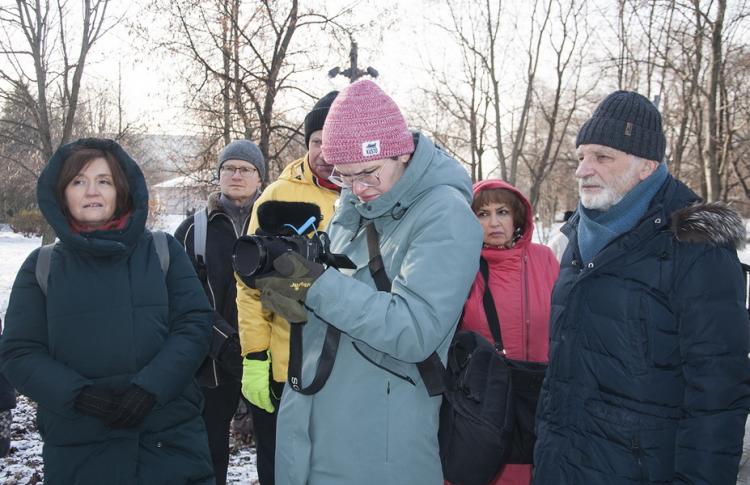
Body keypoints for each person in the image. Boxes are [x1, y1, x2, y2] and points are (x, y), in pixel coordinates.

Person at [254, 79, 483, 485]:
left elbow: (413, 329)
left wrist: (314, 283)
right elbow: (319, 321)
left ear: (403, 152)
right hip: (315, 425)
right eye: (344, 176)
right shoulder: (357, 207)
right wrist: (276, 279)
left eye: (369, 172)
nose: (358, 189)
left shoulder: (444, 214)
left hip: (379, 443)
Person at [533, 91, 750, 485]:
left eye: (602, 157)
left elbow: (719, 392)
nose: (583, 170)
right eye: (581, 156)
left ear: (646, 165)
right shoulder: (578, 238)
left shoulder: (695, 246)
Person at [0, 138, 216, 484]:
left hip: (168, 441)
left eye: (104, 181)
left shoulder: (163, 251)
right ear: (62, 193)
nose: (91, 191)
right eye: (78, 181)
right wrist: (80, 396)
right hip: (80, 449)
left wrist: (150, 388)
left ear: (121, 189)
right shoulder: (42, 266)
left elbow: (194, 324)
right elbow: (19, 352)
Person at [236, 90, 340, 485]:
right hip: (285, 366)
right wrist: (256, 356)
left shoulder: (370, 194)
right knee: (280, 470)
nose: (324, 153)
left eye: (333, 142)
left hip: (348, 369)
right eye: (316, 142)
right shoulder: (279, 196)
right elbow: (248, 284)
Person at [454, 179, 558, 485]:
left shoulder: (545, 259)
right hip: (484, 409)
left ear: (518, 218)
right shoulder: (462, 266)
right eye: (482, 214)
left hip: (540, 399)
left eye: (502, 212)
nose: (494, 222)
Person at [174, 139, 265, 485]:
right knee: (209, 455)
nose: (236, 175)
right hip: (210, 364)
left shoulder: (274, 223)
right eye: (229, 168)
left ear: (260, 177)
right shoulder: (193, 231)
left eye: (245, 169)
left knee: (274, 453)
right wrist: (224, 343)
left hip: (267, 359)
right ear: (218, 175)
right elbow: (182, 298)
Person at [0, 317, 15, 458]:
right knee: (3, 430)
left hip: (3, 399)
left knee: (3, 430)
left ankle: (2, 453)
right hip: (4, 399)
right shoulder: (5, 344)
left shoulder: (5, 346)